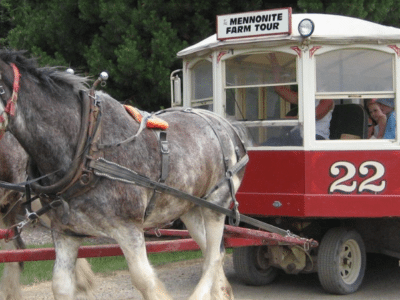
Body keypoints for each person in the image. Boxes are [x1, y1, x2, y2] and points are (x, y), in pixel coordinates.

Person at [265, 53, 334, 145]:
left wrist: (292, 119)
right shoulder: (307, 95)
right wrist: (276, 70)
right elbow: (279, 89)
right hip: (297, 135)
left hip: (316, 138)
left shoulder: (327, 98)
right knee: (270, 143)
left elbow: (314, 116)